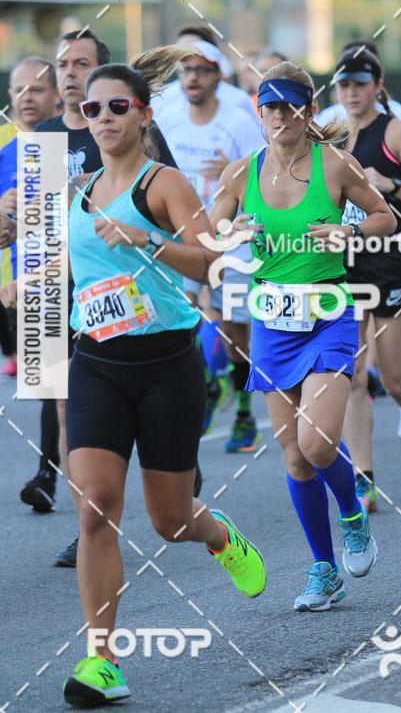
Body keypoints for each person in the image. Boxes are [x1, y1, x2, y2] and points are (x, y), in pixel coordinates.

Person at [2, 45, 267, 706]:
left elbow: (209, 264)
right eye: (91, 108)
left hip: (166, 364)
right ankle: (102, 660)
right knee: (93, 506)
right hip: (96, 363)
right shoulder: (80, 188)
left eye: (117, 106)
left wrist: (145, 238)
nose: (102, 117)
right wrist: (24, 280)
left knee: (169, 520)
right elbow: (72, 254)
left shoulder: (162, 184)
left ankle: (217, 533)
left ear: (143, 114)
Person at [210, 61, 395, 611]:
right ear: (258, 112)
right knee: (293, 457)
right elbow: (210, 224)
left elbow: (385, 217)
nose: (279, 116)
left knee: (317, 444)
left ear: (308, 112)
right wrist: (230, 230)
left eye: (290, 106)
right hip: (271, 321)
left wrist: (352, 229)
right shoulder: (242, 173)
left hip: (329, 314)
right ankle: (323, 568)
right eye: (269, 106)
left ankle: (353, 514)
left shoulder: (333, 164)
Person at [23, 29, 183, 567]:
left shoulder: (134, 143)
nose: (66, 73)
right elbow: (37, 218)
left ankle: (174, 483)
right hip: (66, 292)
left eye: (80, 64)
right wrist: (17, 253)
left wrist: (147, 240)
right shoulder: (42, 133)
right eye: (62, 63)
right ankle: (84, 517)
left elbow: (182, 230)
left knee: (169, 509)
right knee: (62, 400)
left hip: (146, 312)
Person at [331, 49, 401, 513]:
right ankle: (364, 479)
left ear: (377, 85)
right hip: (347, 264)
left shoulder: (396, 131)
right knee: (353, 376)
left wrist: (389, 184)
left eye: (361, 83)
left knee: (395, 381)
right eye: (344, 85)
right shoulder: (331, 133)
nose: (352, 93)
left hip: (394, 261)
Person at [161, 41, 264, 451]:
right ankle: (203, 388)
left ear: (218, 75)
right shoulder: (168, 119)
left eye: (201, 70)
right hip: (182, 236)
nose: (192, 78)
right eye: (185, 70)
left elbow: (263, 179)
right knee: (183, 321)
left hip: (230, 242)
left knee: (237, 334)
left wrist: (232, 174)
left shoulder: (239, 123)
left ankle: (243, 411)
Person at [0, 57, 60, 379]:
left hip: (71, 282)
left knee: (70, 392)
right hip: (15, 285)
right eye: (20, 89)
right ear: (10, 93)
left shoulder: (75, 137)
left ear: (56, 94)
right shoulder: (3, 143)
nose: (27, 97)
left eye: (37, 89)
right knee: (49, 391)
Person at [151, 24, 257, 127]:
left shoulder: (238, 100)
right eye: (178, 51)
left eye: (194, 49)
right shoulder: (162, 97)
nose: (185, 55)